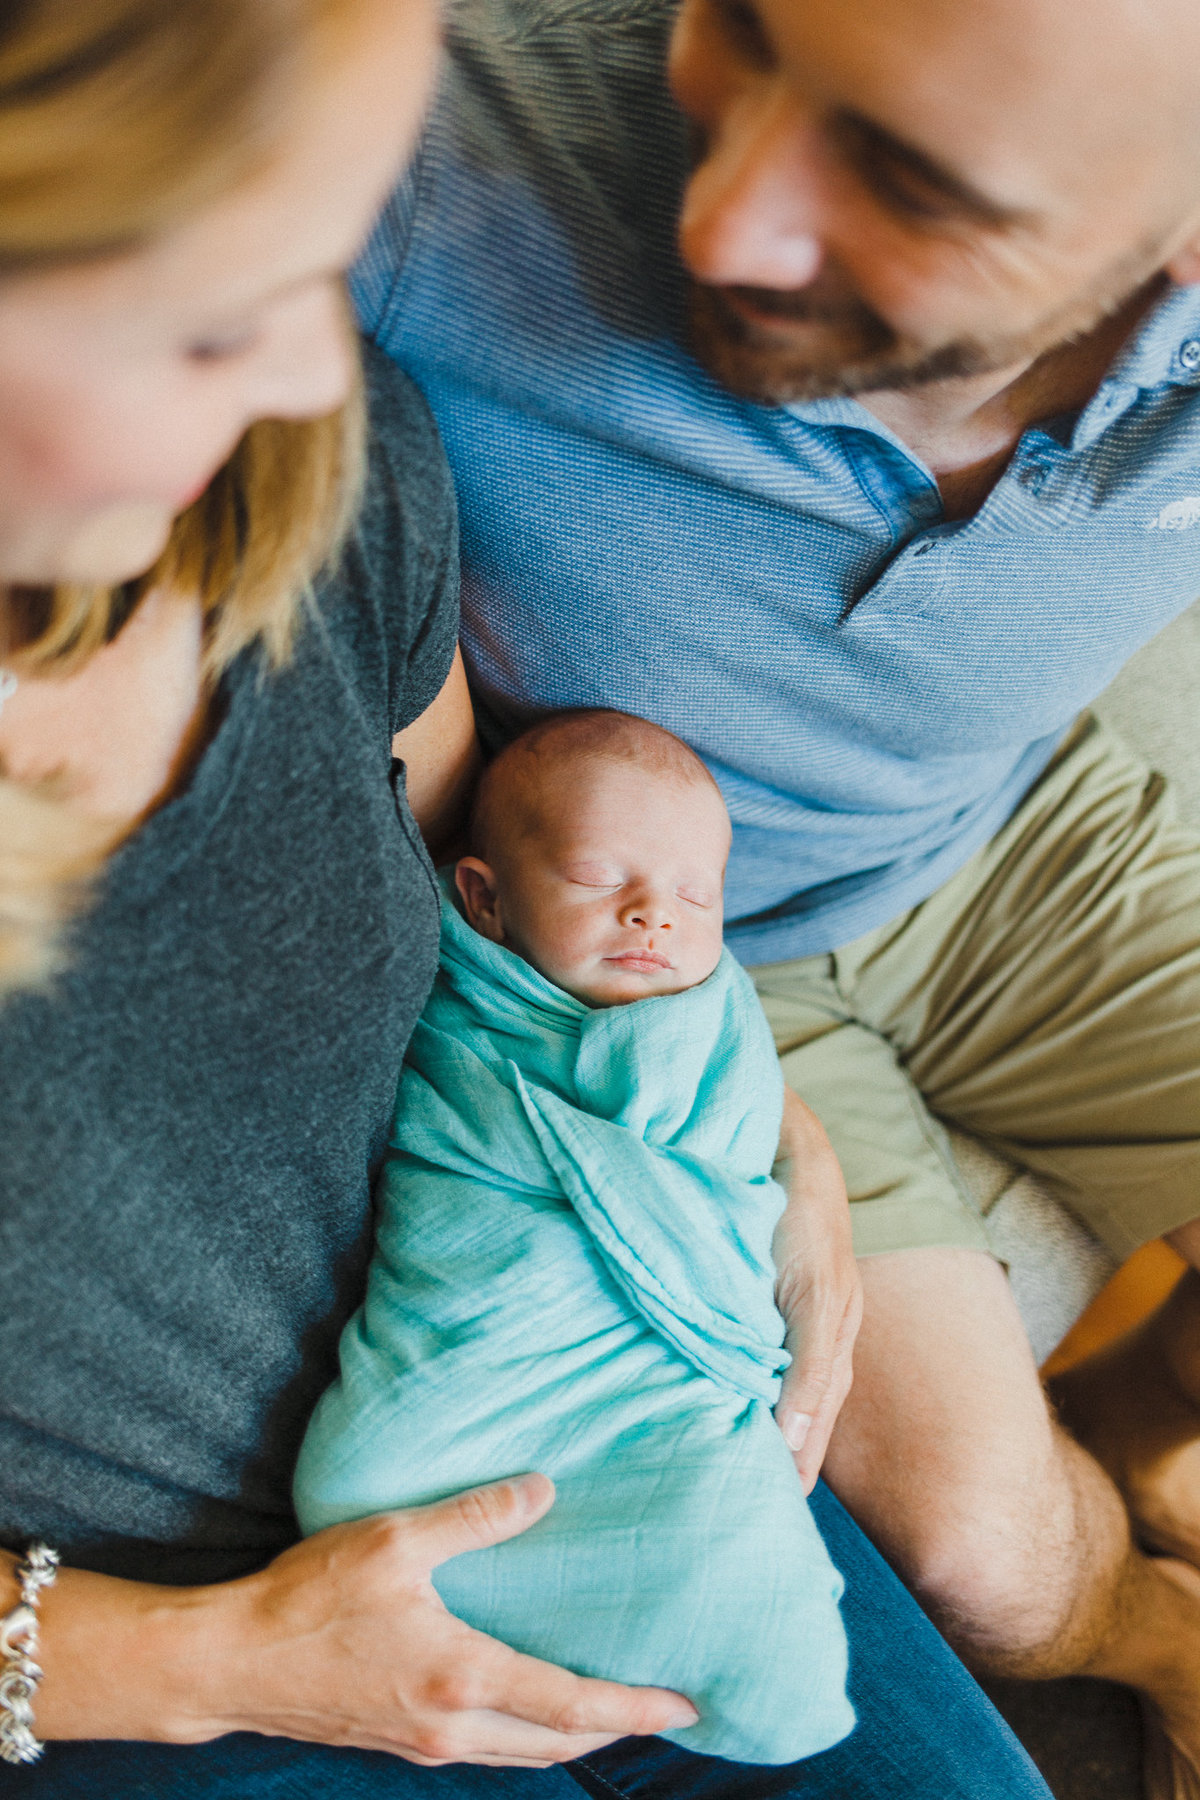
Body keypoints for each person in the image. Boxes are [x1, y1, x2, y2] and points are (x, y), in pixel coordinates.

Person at [0, 0, 1054, 1796]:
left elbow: (480, 896)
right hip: (147, 1647)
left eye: (316, 270)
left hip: (607, 1411)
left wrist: (726, 1109)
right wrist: (187, 1663)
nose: (297, 372)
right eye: (206, 314)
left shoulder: (308, 466)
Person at [355, 0, 1200, 1786]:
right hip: (660, 944)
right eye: (736, 26)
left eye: (910, 178)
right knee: (986, 1567)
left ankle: (1141, 1425)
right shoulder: (418, 156)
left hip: (1021, 846)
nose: (729, 217)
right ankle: (1158, 1639)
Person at [294, 711, 853, 1767]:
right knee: (372, 1480)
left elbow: (728, 1164)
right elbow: (435, 1140)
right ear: (484, 899)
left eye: (697, 896)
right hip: (476, 1358)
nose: (656, 913)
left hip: (650, 1381)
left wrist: (803, 1172)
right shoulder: (457, 1007)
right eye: (601, 877)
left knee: (745, 1563)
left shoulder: (712, 1027)